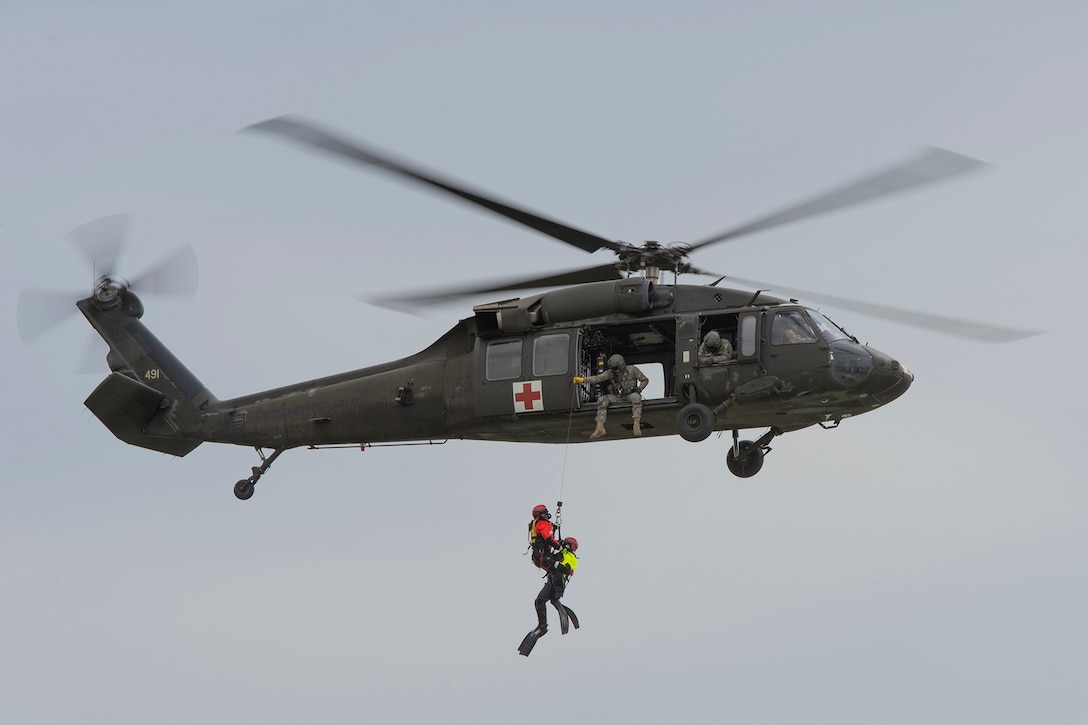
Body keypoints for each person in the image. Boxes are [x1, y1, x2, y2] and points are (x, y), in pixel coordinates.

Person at [520, 537, 580, 655]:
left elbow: (565, 568)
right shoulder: (561, 554)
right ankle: (542, 625)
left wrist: (553, 562)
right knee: (539, 601)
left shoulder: (571, 557)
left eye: (566, 544)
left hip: (558, 583)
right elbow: (549, 561)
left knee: (551, 600)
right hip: (551, 580)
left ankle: (555, 613)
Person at [572, 354, 649, 438]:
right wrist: (583, 380)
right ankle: (600, 428)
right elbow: (597, 378)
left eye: (615, 368)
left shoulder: (632, 370)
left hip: (630, 395)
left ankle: (636, 425)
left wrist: (639, 389)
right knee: (602, 400)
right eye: (612, 368)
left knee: (636, 398)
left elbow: (644, 380)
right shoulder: (610, 373)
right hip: (617, 396)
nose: (614, 370)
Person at [527, 504, 562, 570]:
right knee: (561, 568)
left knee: (560, 559)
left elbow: (547, 539)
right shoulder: (542, 524)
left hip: (539, 556)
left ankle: (551, 576)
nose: (547, 515)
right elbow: (548, 539)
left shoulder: (537, 524)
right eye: (545, 513)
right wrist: (559, 547)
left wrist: (558, 543)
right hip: (543, 557)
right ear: (541, 514)